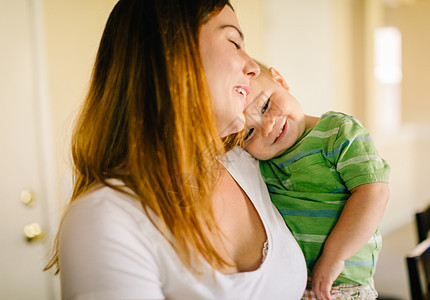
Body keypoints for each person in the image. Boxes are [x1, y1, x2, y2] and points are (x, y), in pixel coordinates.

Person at [44, 1, 308, 299]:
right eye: (234, 42)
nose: (251, 67)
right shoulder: (105, 219)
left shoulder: (249, 161)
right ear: (174, 56)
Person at [242, 63, 390, 300]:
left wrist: (334, 256)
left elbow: (374, 193)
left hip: (341, 283)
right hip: (292, 284)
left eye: (266, 105)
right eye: (248, 133)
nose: (267, 127)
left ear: (280, 80)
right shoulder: (260, 162)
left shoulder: (339, 132)